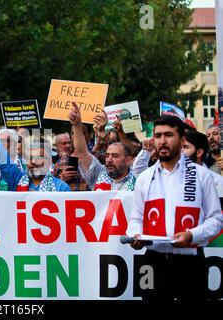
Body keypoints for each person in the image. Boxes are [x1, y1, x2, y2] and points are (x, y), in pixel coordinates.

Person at [126, 115, 223, 301]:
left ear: (182, 140)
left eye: (169, 135)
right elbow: (137, 218)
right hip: (152, 260)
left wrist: (192, 235)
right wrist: (136, 235)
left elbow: (216, 220)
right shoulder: (144, 178)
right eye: (158, 135)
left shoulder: (202, 176)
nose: (162, 141)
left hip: (191, 260)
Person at [0, 103, 70, 192]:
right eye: (30, 158)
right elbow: (3, 159)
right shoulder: (17, 180)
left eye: (38, 157)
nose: (33, 162)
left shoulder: (61, 188)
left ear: (49, 160)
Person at [69, 104, 136, 191]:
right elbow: (81, 153)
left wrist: (114, 132)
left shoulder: (139, 178)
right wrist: (77, 125)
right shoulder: (99, 174)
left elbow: (132, 151)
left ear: (128, 160)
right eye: (107, 156)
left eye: (115, 156)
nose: (109, 160)